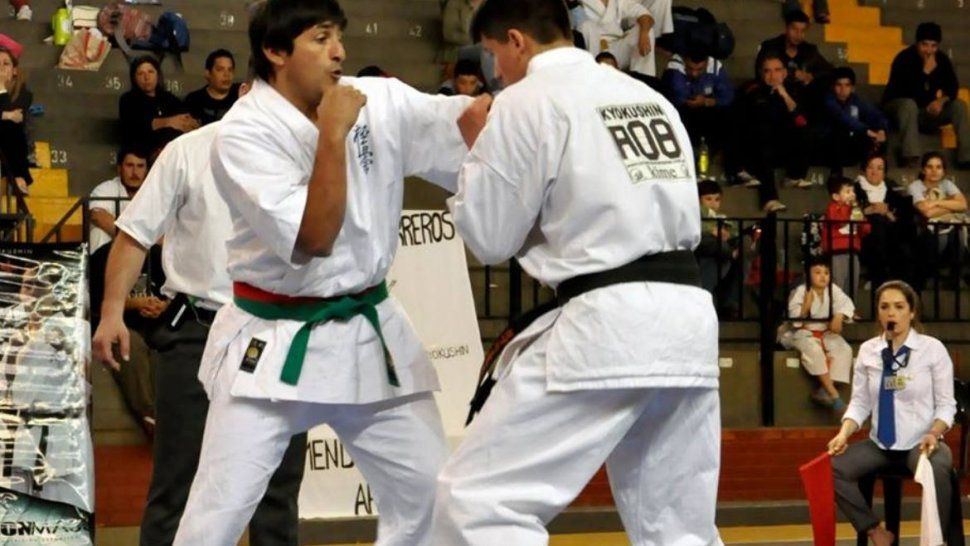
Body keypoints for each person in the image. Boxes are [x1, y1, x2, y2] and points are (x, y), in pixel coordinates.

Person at [170, 1, 475, 544]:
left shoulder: (374, 100)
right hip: (274, 340)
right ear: (275, 51)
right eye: (321, 38)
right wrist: (333, 134)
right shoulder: (245, 133)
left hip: (368, 332)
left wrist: (543, 88)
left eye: (340, 37)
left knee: (434, 497)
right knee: (217, 513)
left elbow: (466, 125)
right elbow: (314, 238)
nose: (339, 52)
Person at [434, 1, 723, 544]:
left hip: (607, 323)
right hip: (687, 321)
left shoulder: (524, 102)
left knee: (477, 502)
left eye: (495, 55)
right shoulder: (649, 98)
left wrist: (477, 150)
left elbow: (491, 237)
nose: (496, 71)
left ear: (516, 41)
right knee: (678, 529)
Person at [91, 109, 307, 544]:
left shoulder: (308, 153)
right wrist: (112, 309)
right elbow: (133, 232)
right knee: (178, 481)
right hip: (197, 328)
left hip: (280, 332)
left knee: (277, 489)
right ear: (249, 91)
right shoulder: (188, 151)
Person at [828, 280, 956, 546]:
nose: (891, 313)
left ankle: (940, 541)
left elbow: (946, 404)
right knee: (832, 467)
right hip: (880, 445)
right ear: (878, 312)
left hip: (920, 443)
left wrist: (934, 432)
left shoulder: (932, 350)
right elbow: (860, 402)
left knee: (940, 466)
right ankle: (875, 531)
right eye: (884, 307)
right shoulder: (868, 351)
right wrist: (843, 433)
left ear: (911, 312)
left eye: (899, 307)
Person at [883, 22, 970, 168]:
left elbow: (952, 87)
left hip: (924, 113)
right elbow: (904, 92)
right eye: (925, 45)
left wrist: (941, 101)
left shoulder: (941, 59)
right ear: (917, 43)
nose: (929, 50)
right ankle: (910, 156)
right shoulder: (904, 58)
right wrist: (925, 73)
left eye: (933, 46)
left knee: (959, 105)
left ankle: (966, 158)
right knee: (909, 105)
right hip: (898, 109)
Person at [734, 53, 812, 212]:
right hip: (755, 147)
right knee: (762, 138)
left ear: (784, 72)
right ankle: (769, 199)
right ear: (761, 73)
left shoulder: (793, 90)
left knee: (804, 131)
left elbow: (801, 119)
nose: (773, 75)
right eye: (768, 71)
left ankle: (794, 175)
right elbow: (743, 123)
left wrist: (783, 94)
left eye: (777, 70)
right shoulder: (751, 90)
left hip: (781, 146)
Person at [853, 154, 919, 288]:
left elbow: (904, 216)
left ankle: (904, 286)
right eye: (870, 167)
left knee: (905, 241)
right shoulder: (854, 189)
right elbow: (849, 212)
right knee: (877, 221)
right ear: (864, 170)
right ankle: (879, 279)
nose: (874, 172)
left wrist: (887, 213)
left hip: (892, 235)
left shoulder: (893, 189)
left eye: (879, 168)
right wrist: (869, 211)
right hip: (863, 236)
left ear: (884, 172)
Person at [908, 151, 969, 286]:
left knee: (957, 231)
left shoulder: (947, 184)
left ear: (943, 170)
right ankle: (929, 276)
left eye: (938, 167)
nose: (934, 171)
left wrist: (936, 203)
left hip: (949, 228)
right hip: (925, 231)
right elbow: (926, 212)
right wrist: (951, 205)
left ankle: (955, 279)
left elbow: (963, 204)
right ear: (923, 170)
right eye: (930, 167)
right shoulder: (915, 186)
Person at [119, 56, 198, 156]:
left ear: (158, 75)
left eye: (150, 72)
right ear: (134, 78)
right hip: (142, 154)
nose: (146, 77)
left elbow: (184, 119)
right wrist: (168, 122)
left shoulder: (169, 98)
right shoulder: (128, 100)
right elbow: (136, 126)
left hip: (171, 151)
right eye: (140, 74)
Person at [662, 47, 734, 153]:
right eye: (690, 68)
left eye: (699, 69)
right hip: (681, 111)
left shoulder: (715, 66)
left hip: (705, 108)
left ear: (706, 63)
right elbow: (680, 96)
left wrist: (706, 101)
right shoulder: (674, 67)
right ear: (685, 60)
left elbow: (728, 96)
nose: (694, 73)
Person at [822, 67, 888, 174]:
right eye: (839, 85)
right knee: (840, 133)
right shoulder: (828, 101)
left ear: (853, 88)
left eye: (847, 85)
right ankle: (836, 177)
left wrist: (881, 130)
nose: (843, 89)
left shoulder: (856, 101)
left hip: (849, 148)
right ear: (833, 87)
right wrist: (868, 131)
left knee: (877, 139)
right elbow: (844, 118)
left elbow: (877, 115)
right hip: (827, 148)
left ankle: (876, 173)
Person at [757, 10, 833, 98]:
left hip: (802, 97)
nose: (798, 34)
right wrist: (791, 73)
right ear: (786, 29)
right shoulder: (770, 47)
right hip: (775, 95)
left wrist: (811, 76)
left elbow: (828, 70)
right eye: (794, 29)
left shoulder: (809, 50)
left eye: (802, 30)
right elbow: (760, 74)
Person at [569, 0, 657, 75]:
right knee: (587, 26)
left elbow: (645, 15)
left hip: (617, 48)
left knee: (646, 30)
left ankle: (644, 81)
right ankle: (595, 77)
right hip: (593, 48)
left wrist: (644, 35)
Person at [89, 147, 149, 254]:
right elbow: (97, 216)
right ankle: (99, 270)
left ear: (147, 170)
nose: (135, 172)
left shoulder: (154, 191)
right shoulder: (107, 188)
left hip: (145, 252)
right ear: (119, 169)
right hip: (116, 248)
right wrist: (134, 239)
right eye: (129, 165)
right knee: (98, 233)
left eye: (140, 166)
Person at [695, 180, 740, 318]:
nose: (713, 203)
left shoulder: (724, 218)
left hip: (718, 252)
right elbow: (692, 225)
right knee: (720, 249)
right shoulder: (696, 211)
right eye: (708, 199)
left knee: (725, 258)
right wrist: (712, 229)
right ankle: (726, 305)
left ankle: (725, 304)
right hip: (700, 245)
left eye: (717, 199)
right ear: (699, 199)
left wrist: (726, 234)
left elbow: (735, 231)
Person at [822, 175, 870, 294]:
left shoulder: (855, 209)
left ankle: (850, 310)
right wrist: (850, 209)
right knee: (838, 286)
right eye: (847, 191)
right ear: (836, 196)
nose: (852, 194)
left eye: (853, 191)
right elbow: (838, 219)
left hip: (853, 251)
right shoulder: (833, 208)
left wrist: (857, 211)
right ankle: (837, 311)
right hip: (837, 252)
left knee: (852, 285)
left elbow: (865, 229)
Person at [0, 45, 31, 195]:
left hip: (7, 147)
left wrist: (1, 89)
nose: (0, 68)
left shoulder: (23, 94)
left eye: (6, 64)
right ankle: (19, 177)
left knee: (11, 127)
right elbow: (10, 115)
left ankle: (16, 176)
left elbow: (16, 117)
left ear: (14, 71)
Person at [183, 49, 241, 126]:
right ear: (208, 73)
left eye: (230, 70)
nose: (226, 75)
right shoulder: (194, 100)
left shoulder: (241, 94)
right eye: (220, 70)